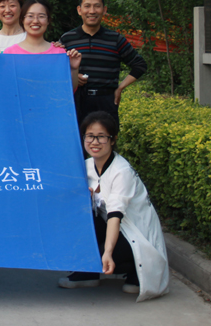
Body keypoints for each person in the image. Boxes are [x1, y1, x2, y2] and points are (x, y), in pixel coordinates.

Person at [58, 111, 169, 301]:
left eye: (101, 136)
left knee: (102, 252)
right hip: (111, 226)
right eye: (89, 136)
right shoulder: (87, 166)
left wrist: (107, 253)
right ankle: (87, 273)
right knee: (72, 222)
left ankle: (134, 270)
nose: (94, 142)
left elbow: (115, 216)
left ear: (113, 139)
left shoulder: (121, 172)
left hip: (134, 233)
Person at [60, 0, 148, 127]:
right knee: (76, 140)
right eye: (87, 6)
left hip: (106, 101)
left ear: (104, 10)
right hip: (76, 101)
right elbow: (55, 70)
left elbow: (140, 65)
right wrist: (73, 76)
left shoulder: (115, 39)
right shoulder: (67, 39)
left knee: (107, 139)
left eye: (97, 6)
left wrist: (120, 88)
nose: (92, 11)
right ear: (79, 10)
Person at [3, 0, 81, 91]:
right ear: (22, 19)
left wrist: (74, 69)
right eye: (30, 16)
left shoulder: (59, 53)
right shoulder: (9, 53)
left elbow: (68, 90)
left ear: (48, 20)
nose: (35, 21)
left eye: (41, 16)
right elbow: (4, 87)